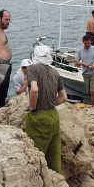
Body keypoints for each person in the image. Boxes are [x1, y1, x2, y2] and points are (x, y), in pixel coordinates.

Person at [25, 45, 67, 173]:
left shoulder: (32, 68)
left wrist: (32, 107)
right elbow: (64, 97)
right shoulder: (55, 72)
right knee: (53, 157)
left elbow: (34, 89)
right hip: (54, 116)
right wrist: (51, 103)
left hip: (40, 117)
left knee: (35, 156)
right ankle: (56, 183)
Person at [76, 34, 94, 106]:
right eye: (86, 43)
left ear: (91, 42)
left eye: (88, 43)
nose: (87, 44)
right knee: (89, 91)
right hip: (85, 73)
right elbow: (77, 63)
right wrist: (84, 64)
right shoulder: (80, 51)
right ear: (83, 42)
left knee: (93, 91)